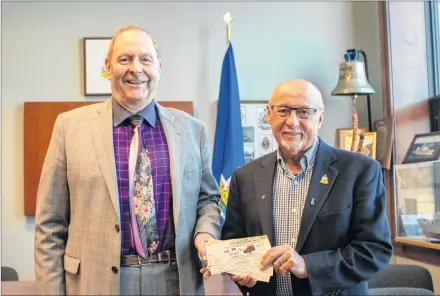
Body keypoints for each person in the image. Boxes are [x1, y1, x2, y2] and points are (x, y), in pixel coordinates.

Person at [34, 24, 221, 295]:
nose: (136, 68)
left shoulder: (193, 130)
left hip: (174, 280)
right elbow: (49, 226)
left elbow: (208, 200)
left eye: (145, 59)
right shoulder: (69, 127)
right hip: (96, 283)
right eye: (125, 59)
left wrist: (206, 232)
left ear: (159, 66)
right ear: (108, 67)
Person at [213, 79, 393, 295]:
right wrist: (241, 270)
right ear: (268, 114)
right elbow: (235, 242)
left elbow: (375, 249)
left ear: (320, 118)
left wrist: (308, 266)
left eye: (304, 112)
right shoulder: (245, 177)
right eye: (283, 111)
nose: (292, 121)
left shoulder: (359, 170)